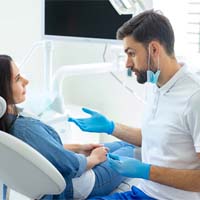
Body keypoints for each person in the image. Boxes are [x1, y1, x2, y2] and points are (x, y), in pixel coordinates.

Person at [68, 10, 200, 200]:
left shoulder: (194, 97)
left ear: (154, 49)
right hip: (142, 192)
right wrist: (110, 126)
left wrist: (146, 171)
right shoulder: (157, 84)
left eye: (131, 53)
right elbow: (158, 138)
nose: (127, 64)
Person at [0, 54, 136, 200]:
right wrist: (94, 159)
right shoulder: (25, 129)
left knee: (125, 144)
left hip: (67, 178)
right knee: (133, 149)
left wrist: (80, 147)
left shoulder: (6, 124)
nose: (26, 81)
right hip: (78, 185)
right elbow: (68, 165)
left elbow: (44, 152)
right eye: (17, 78)